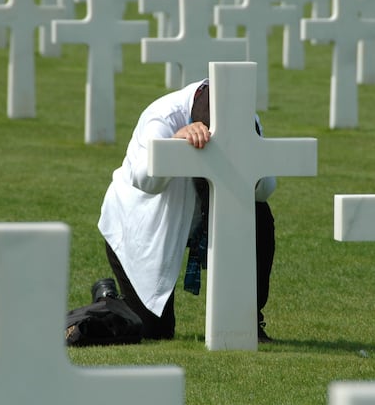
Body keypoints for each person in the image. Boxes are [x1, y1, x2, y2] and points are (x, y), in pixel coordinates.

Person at [97, 79, 277, 342]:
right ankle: (107, 298)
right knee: (152, 331)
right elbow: (146, 182)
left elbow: (265, 189)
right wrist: (174, 143)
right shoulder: (162, 116)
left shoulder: (243, 117)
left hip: (205, 215)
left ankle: (249, 319)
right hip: (144, 222)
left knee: (257, 215)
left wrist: (249, 160)